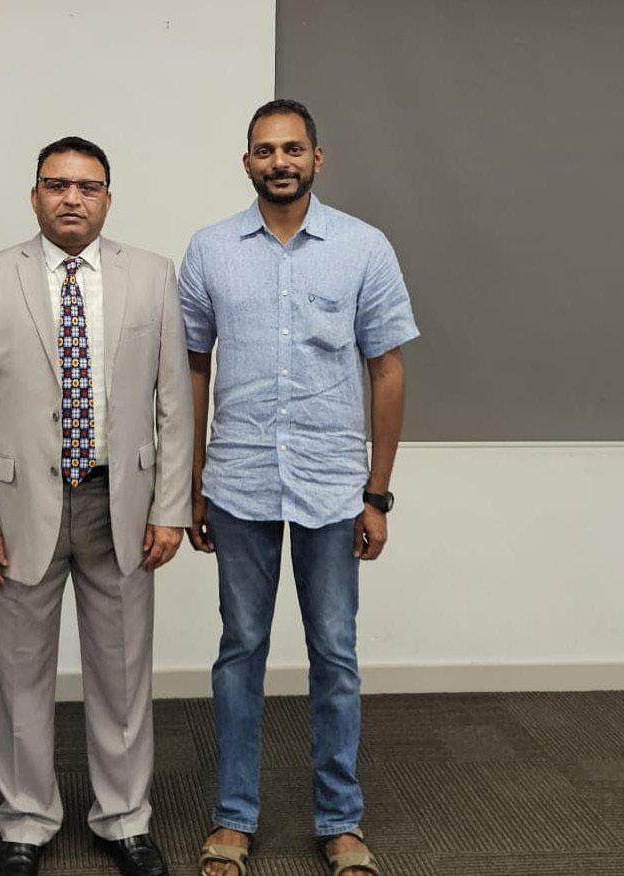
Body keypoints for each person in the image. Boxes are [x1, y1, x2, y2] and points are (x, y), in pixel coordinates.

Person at [178, 100, 419, 876]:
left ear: (319, 157)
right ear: (246, 162)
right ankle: (233, 818)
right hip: (239, 480)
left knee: (335, 655)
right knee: (240, 650)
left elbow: (387, 369)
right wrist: (193, 483)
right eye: (264, 150)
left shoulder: (363, 248)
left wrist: (377, 494)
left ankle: (340, 821)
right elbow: (192, 368)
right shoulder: (210, 250)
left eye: (292, 148)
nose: (278, 161)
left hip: (332, 486)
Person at [0, 136, 193, 876]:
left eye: (88, 187)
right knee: (17, 673)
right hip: (19, 509)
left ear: (108, 198)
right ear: (35, 196)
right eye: (57, 185)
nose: (72, 199)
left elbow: (174, 405)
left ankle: (124, 818)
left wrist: (170, 507)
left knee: (123, 671)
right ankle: (25, 820)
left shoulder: (152, 276)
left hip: (123, 504)